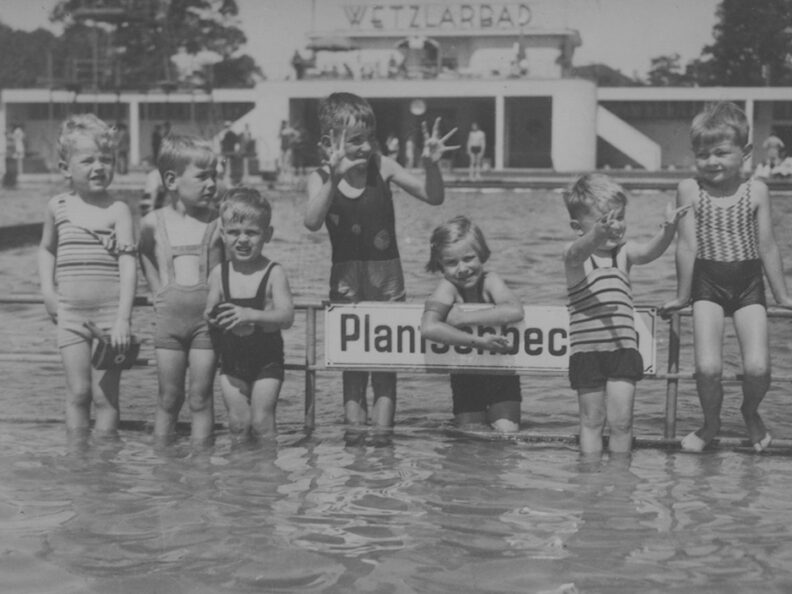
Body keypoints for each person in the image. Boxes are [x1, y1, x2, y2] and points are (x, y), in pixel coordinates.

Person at [304, 91, 458, 429]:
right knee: (353, 370)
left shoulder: (383, 166)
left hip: (388, 279)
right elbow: (312, 221)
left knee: (386, 371)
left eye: (369, 138)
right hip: (345, 280)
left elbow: (433, 197)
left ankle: (383, 441)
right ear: (330, 141)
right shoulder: (319, 177)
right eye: (356, 140)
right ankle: (355, 441)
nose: (365, 147)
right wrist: (334, 177)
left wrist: (431, 165)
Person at [661, 101, 792, 453]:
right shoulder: (690, 190)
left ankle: (750, 411)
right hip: (708, 285)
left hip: (748, 284)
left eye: (721, 152)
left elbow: (768, 247)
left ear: (745, 152)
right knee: (706, 367)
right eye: (703, 154)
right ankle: (710, 422)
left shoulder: (757, 191)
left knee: (759, 367)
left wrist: (782, 296)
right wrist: (681, 296)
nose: (712, 161)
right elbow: (686, 247)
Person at [563, 173, 689, 456]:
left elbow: (649, 252)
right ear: (577, 226)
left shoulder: (624, 253)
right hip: (587, 353)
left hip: (622, 350)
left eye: (619, 217)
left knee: (622, 422)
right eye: (604, 220)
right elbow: (575, 254)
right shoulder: (575, 256)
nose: (614, 226)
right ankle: (590, 478)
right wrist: (596, 236)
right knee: (592, 421)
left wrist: (668, 230)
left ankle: (621, 483)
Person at [37, 114, 137, 437]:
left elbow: (128, 265)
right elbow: (46, 249)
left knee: (105, 397)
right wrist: (48, 291)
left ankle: (105, 466)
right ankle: (77, 462)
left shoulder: (117, 210)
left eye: (106, 159)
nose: (99, 166)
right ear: (66, 168)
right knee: (78, 393)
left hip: (110, 317)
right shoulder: (58, 206)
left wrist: (124, 318)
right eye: (88, 160)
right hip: (70, 315)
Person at [138, 134, 224, 446]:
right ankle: (164, 466)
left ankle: (203, 466)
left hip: (207, 325)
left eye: (214, 175)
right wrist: (158, 289)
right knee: (168, 398)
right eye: (202, 176)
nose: (211, 184)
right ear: (172, 181)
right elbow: (143, 252)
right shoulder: (153, 222)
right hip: (169, 323)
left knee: (201, 397)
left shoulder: (219, 222)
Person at [205, 187, 295, 442]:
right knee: (237, 424)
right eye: (234, 232)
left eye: (251, 233)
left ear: (267, 235)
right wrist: (214, 317)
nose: (242, 240)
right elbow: (209, 312)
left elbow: (287, 317)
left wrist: (250, 315)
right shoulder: (219, 274)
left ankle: (266, 477)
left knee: (262, 423)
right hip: (232, 361)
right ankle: (240, 477)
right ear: (222, 235)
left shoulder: (274, 272)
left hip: (267, 360)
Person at [420, 216, 524, 432]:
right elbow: (429, 327)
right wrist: (478, 341)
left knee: (507, 434)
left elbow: (514, 310)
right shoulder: (448, 287)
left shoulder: (490, 280)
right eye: (451, 262)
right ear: (439, 263)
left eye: (469, 258)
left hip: (502, 372)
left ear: (482, 254)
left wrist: (464, 319)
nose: (462, 269)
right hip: (465, 372)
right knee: (470, 438)